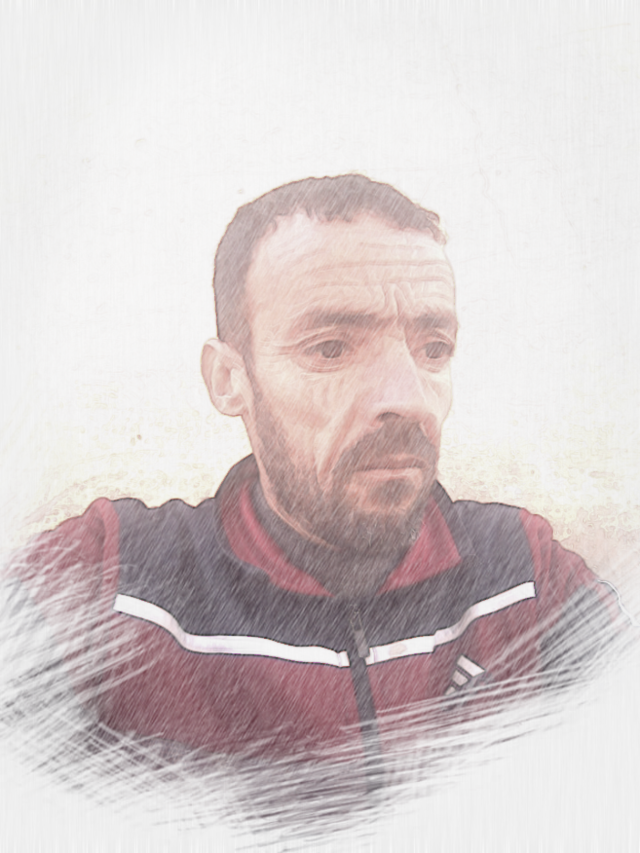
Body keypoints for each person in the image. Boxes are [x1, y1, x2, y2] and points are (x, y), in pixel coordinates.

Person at [3, 174, 629, 765]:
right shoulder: (115, 583)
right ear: (228, 379)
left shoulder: (524, 577)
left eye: (433, 348)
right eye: (331, 348)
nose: (408, 398)